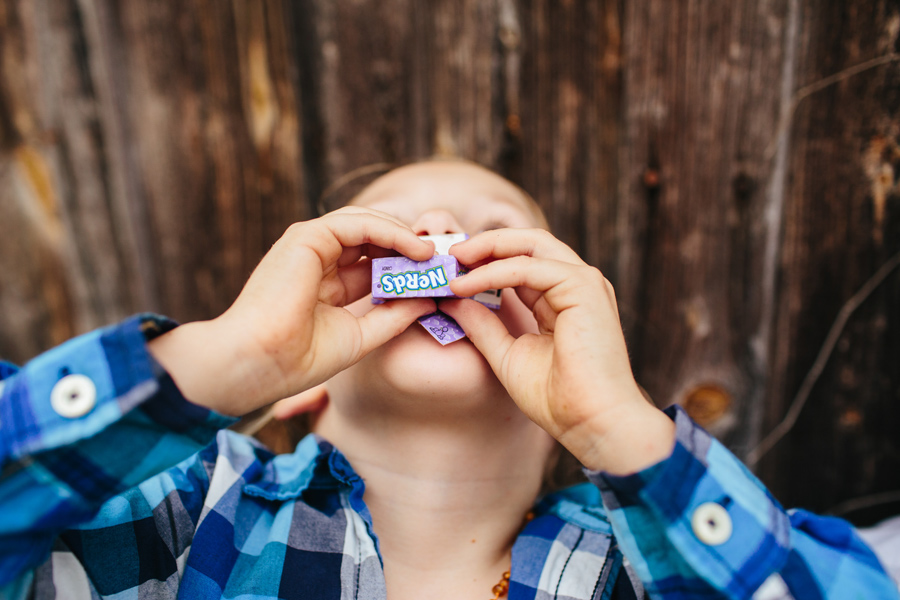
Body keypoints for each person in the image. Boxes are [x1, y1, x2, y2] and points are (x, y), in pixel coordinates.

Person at [0, 160, 895, 600]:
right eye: (384, 236)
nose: (438, 240)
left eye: (495, 235)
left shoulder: (644, 567)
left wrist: (620, 431)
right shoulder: (187, 517)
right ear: (307, 392)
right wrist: (227, 361)